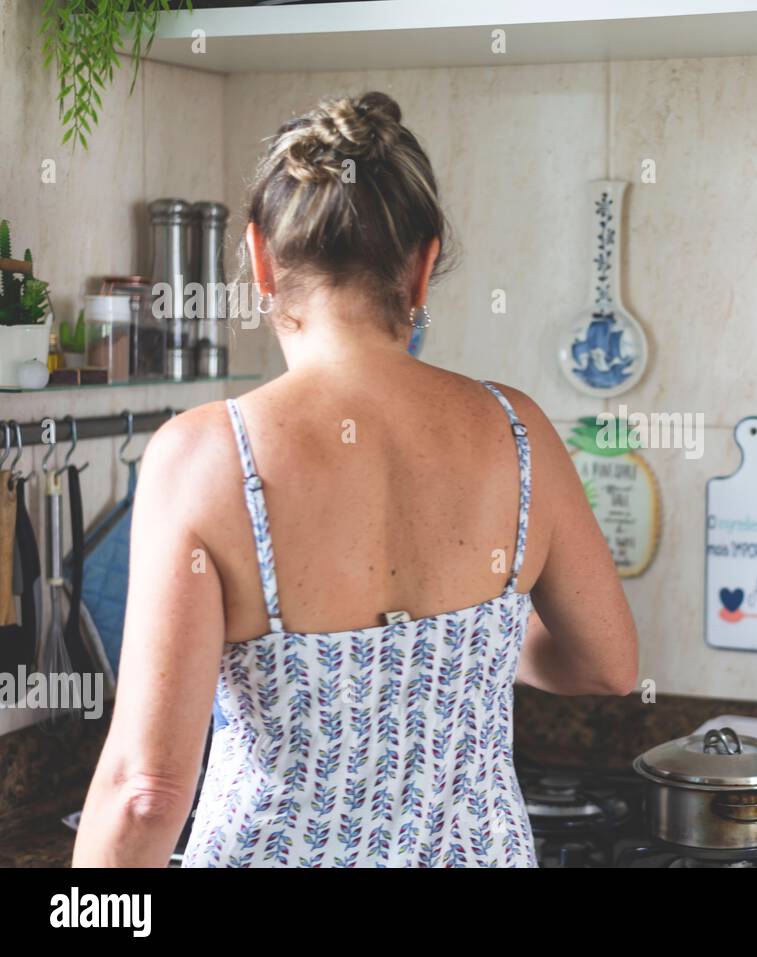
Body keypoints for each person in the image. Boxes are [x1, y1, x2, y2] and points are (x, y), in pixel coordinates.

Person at [74, 92, 638, 868]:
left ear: (262, 260)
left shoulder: (206, 457)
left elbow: (145, 792)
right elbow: (607, 661)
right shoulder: (521, 432)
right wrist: (466, 645)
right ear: (424, 266)